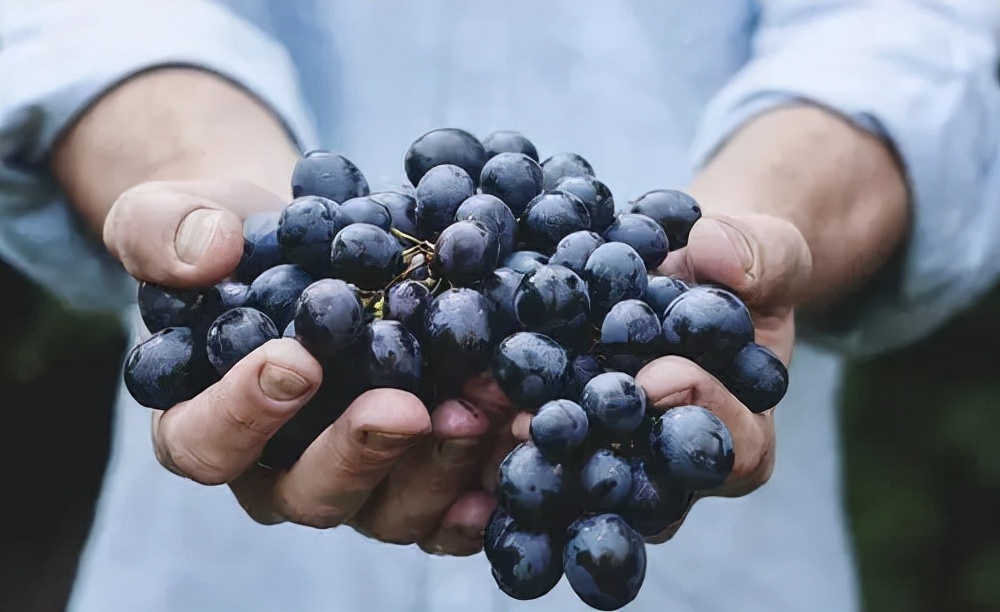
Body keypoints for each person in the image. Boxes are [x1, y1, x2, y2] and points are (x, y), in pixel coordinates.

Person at [2, 1, 998, 610]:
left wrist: (762, 224)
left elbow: (907, 30)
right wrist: (194, 172)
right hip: (229, 560)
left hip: (702, 530)